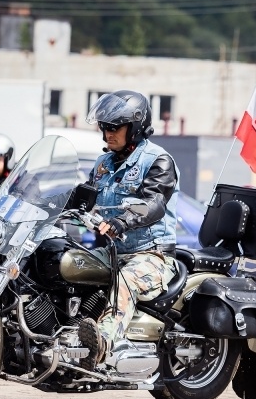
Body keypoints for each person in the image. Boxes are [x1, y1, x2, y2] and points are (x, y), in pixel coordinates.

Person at [76, 90, 180, 371]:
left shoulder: (158, 161)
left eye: (114, 127)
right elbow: (82, 197)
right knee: (66, 263)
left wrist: (123, 221)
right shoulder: (103, 164)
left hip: (152, 255)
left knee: (125, 280)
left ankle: (101, 344)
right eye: (104, 126)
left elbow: (154, 203)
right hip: (112, 252)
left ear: (134, 127)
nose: (107, 133)